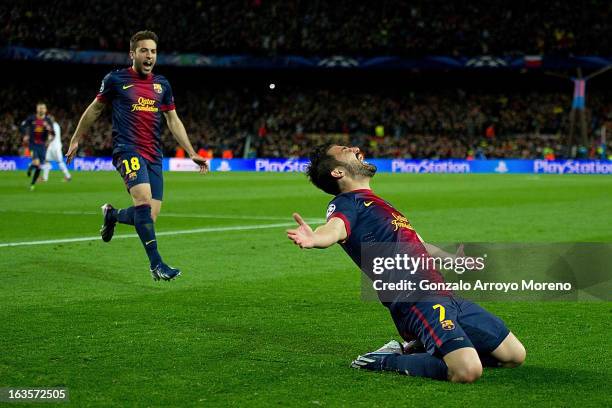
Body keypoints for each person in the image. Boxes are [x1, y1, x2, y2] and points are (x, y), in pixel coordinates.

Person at [286, 143, 526, 382]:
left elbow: (420, 244)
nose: (355, 147)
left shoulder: (381, 204)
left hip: (445, 294)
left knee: (514, 355)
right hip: (416, 299)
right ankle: (383, 360)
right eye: (345, 149)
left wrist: (453, 260)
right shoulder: (346, 203)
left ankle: (420, 348)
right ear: (338, 172)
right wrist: (316, 238)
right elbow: (334, 228)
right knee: (466, 370)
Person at [66, 30, 208, 281]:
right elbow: (94, 109)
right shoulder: (115, 79)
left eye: (153, 51)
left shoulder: (162, 85)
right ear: (132, 54)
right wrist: (77, 138)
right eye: (144, 50)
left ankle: (113, 214)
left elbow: (173, 120)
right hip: (127, 149)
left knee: (149, 216)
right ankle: (157, 264)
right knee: (142, 201)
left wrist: (191, 152)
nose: (149, 55)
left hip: (154, 154)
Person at [20, 102, 54, 190]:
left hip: (42, 145)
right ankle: (32, 166)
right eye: (40, 108)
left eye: (43, 108)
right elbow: (22, 126)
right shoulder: (31, 118)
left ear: (46, 110)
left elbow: (53, 133)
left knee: (39, 166)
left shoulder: (48, 121)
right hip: (33, 144)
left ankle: (32, 183)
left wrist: (50, 137)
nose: (41, 109)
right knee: (36, 163)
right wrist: (25, 135)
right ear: (37, 109)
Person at [41, 115, 72, 182]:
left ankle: (68, 176)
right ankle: (44, 178)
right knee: (47, 160)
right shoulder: (54, 125)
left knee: (59, 161)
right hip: (51, 146)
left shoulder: (54, 125)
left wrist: (47, 142)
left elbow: (53, 136)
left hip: (55, 146)